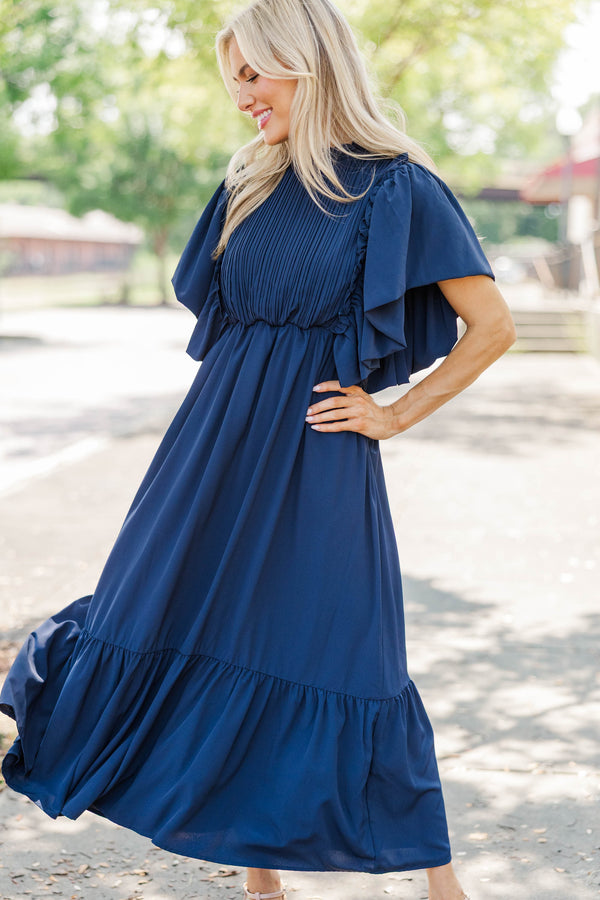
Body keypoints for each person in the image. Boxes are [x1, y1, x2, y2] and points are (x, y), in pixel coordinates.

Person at [0, 1, 516, 899]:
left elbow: (492, 326)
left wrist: (394, 414)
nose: (240, 95)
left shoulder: (396, 187)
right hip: (208, 453)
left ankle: (443, 887)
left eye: (253, 73)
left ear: (308, 64)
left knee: (344, 655)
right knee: (160, 618)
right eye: (230, 76)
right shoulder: (248, 183)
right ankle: (260, 883)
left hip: (316, 458)